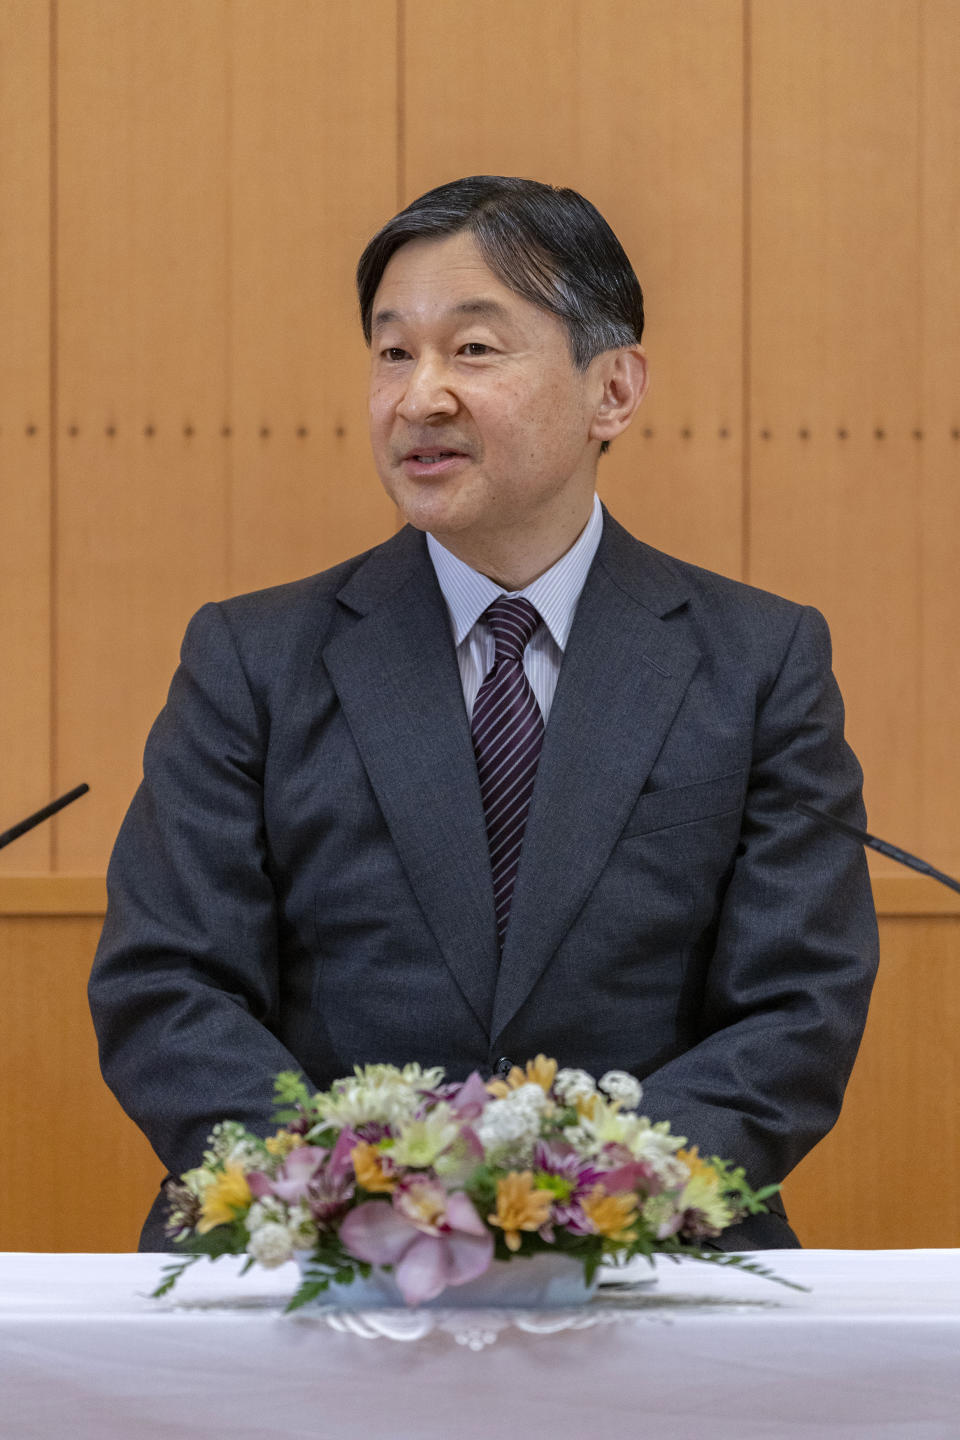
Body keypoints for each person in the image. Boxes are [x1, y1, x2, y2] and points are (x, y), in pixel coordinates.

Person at [89, 176, 878, 1252]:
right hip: (308, 1251)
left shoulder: (758, 661)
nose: (419, 398)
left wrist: (584, 1203)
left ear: (613, 390)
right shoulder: (253, 658)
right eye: (392, 353)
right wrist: (351, 1195)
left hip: (651, 1250)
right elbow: (167, 980)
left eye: (472, 350)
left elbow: (798, 1005)